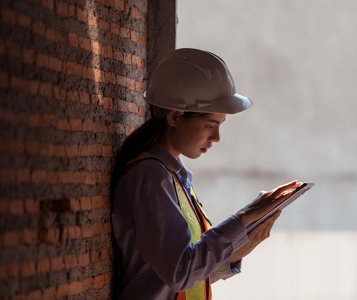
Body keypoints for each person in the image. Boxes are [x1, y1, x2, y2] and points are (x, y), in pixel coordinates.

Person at [111, 48, 301, 300]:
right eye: (209, 125)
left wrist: (239, 248)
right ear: (176, 116)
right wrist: (243, 218)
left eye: (220, 125)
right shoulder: (150, 177)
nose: (216, 137)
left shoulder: (174, 176)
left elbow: (184, 276)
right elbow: (181, 273)